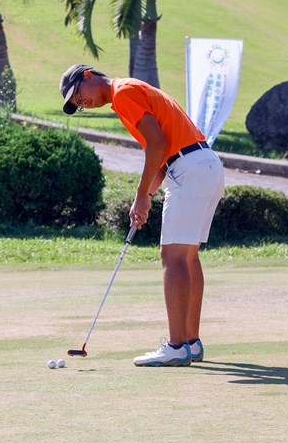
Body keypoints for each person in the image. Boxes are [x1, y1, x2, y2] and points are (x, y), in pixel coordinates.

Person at [59, 65, 225, 367]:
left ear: (87, 77)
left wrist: (140, 195)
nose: (84, 104)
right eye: (79, 105)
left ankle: (176, 346)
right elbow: (159, 152)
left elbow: (158, 146)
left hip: (190, 168)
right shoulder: (130, 91)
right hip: (206, 165)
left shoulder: (123, 93)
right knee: (187, 257)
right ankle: (191, 343)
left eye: (80, 97)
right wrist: (145, 198)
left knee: (172, 258)